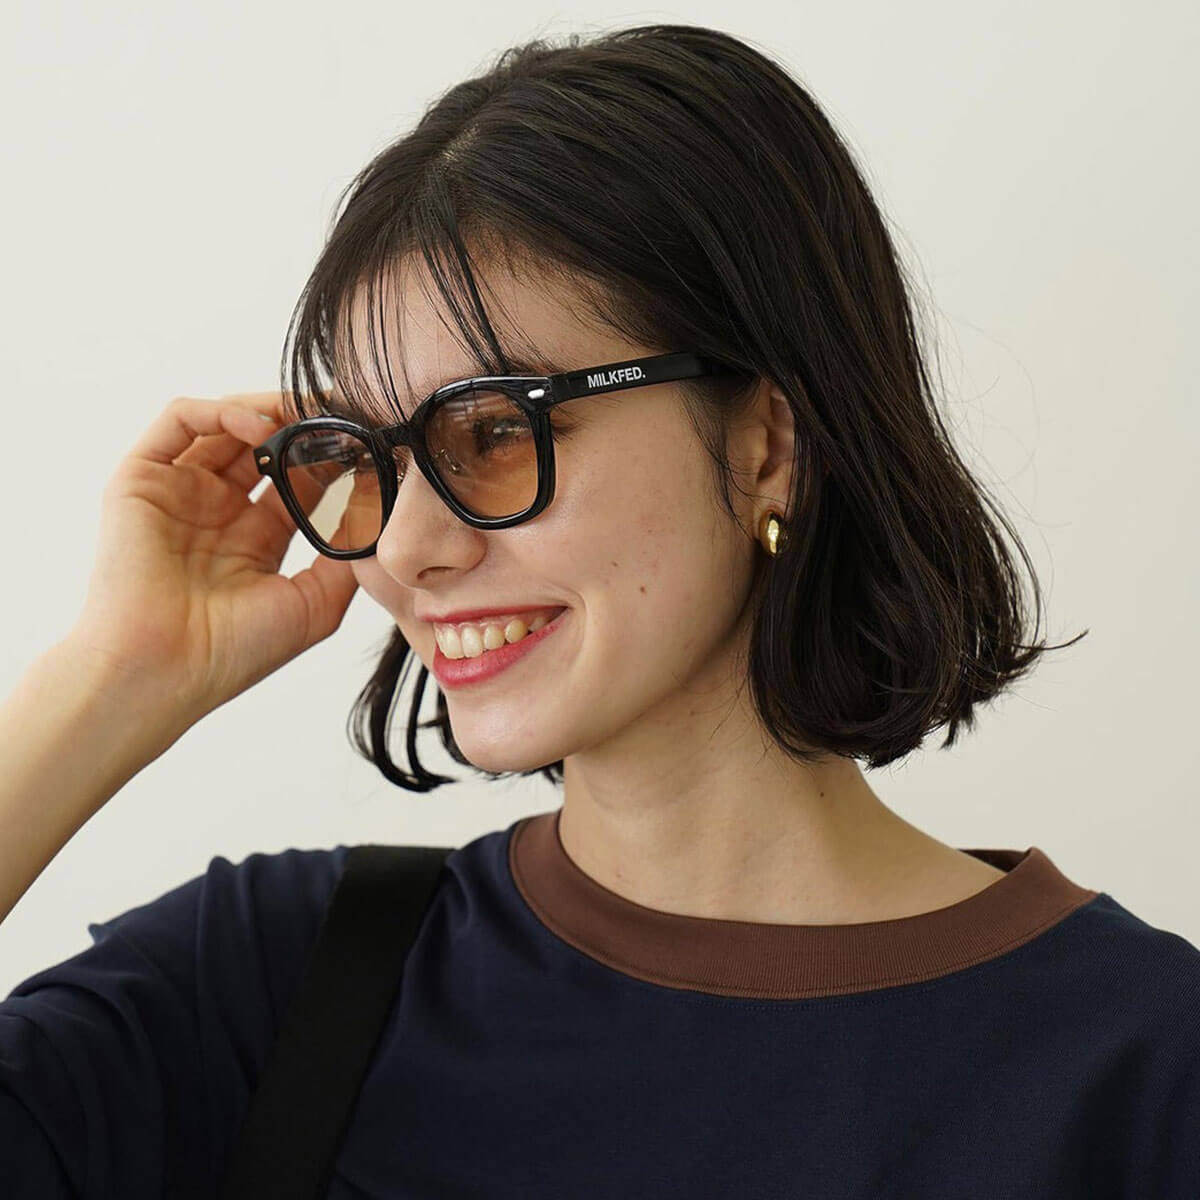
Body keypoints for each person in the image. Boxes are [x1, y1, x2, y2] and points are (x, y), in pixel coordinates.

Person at [2, 22, 1197, 1199]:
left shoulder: (1146, 1073)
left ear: (770, 445)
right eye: (368, 456)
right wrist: (115, 676)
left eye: (494, 432)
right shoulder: (272, 989)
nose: (406, 548)